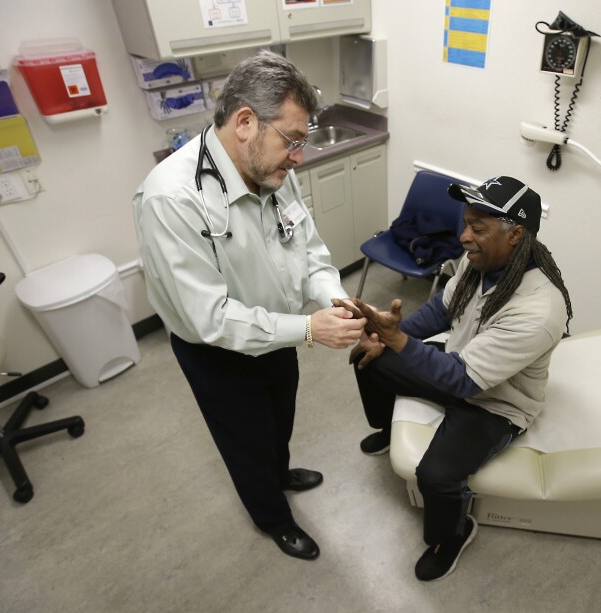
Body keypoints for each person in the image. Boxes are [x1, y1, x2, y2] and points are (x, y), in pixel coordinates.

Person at [132, 50, 366, 561]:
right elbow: (210, 318)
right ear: (244, 122)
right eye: (293, 140)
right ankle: (272, 517)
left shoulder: (276, 171)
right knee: (244, 439)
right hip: (217, 351)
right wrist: (308, 329)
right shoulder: (172, 200)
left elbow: (311, 252)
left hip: (280, 331)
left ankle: (279, 473)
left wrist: (336, 300)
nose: (299, 156)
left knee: (279, 417)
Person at [338, 175, 572, 581]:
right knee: (368, 357)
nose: (464, 237)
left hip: (496, 402)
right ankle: (387, 430)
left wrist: (398, 341)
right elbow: (442, 312)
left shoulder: (539, 309)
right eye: (465, 223)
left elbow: (462, 383)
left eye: (477, 229)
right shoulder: (478, 260)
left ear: (515, 234)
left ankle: (453, 534)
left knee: (436, 476)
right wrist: (389, 335)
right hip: (463, 362)